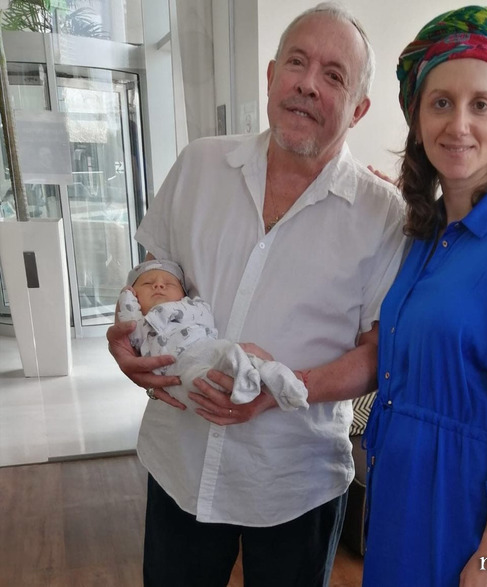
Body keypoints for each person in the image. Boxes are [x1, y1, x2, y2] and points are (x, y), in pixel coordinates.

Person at [106, 3, 405, 586]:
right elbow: (154, 269)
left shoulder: (384, 215)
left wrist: (283, 390)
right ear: (271, 76)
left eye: (334, 75)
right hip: (181, 461)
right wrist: (130, 333)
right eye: (296, 62)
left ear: (359, 109)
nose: (308, 84)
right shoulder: (199, 164)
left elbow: (378, 355)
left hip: (296, 481)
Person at [361, 6, 487, 587]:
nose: (458, 124)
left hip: (467, 508)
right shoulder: (422, 236)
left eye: (480, 105)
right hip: (396, 492)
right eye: (441, 102)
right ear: (417, 120)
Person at [117, 259, 309, 410]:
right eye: (147, 283)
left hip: (204, 347)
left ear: (183, 294)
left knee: (230, 354)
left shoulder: (191, 306)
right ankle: (248, 377)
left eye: (169, 283)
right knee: (200, 383)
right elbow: (128, 321)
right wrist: (126, 295)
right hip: (179, 369)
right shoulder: (141, 326)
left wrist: (166, 312)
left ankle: (276, 376)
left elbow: (206, 317)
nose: (159, 286)